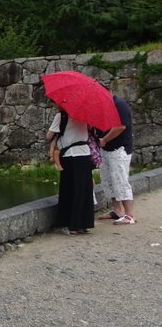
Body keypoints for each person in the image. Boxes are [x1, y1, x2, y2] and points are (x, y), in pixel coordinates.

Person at [46, 106, 95, 234]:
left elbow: (49, 135)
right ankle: (85, 224)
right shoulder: (85, 113)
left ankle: (71, 224)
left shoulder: (61, 116)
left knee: (70, 189)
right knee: (84, 189)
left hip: (70, 155)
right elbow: (90, 129)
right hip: (84, 153)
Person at [97, 95, 135, 225]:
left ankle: (129, 214)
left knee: (120, 180)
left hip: (119, 148)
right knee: (108, 180)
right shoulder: (103, 107)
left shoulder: (119, 104)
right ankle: (117, 210)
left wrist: (105, 139)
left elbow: (121, 126)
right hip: (106, 149)